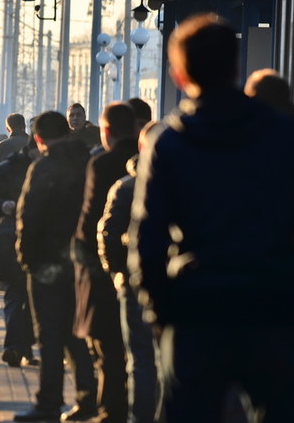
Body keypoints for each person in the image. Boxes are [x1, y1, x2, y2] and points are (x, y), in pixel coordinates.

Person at [128, 13, 294, 423]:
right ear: (237, 66)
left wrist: (162, 312)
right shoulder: (288, 136)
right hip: (274, 308)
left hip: (195, 311)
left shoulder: (169, 142)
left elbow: (146, 239)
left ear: (178, 73)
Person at [15, 111, 98, 422]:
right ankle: (88, 401)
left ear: (38, 139)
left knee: (50, 337)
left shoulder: (43, 167)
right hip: (83, 264)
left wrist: (27, 260)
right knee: (79, 335)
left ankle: (48, 404)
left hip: (47, 266)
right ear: (69, 131)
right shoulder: (91, 162)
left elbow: (29, 217)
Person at [72, 102, 137, 423]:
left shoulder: (100, 164)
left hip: (104, 268)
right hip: (142, 266)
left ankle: (110, 409)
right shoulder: (150, 160)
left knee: (106, 345)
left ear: (106, 131)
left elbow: (89, 222)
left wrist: (82, 260)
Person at [98, 120, 161, 423]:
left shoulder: (125, 186)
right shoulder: (187, 183)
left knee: (140, 361)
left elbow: (108, 234)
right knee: (168, 363)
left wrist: (117, 275)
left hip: (133, 284)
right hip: (172, 287)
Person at [0, 126, 37, 368]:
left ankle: (20, 347)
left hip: (42, 243)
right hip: (11, 240)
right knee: (17, 296)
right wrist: (3, 205)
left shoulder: (55, 169)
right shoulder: (8, 168)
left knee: (31, 301)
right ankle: (17, 348)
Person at [0, 113, 30, 186]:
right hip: (31, 195)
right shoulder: (37, 146)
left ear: (7, 129)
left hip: (3, 195)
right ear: (24, 126)